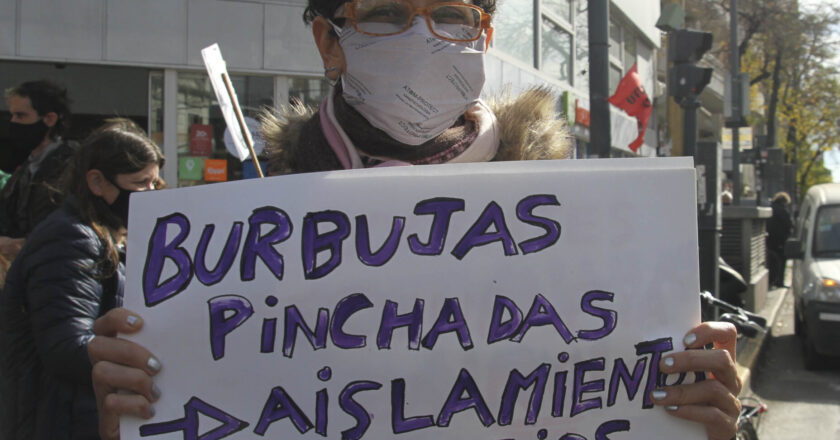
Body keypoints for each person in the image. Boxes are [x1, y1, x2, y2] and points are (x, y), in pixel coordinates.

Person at [87, 0, 742, 439]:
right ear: (328, 40)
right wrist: (138, 410)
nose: (423, 38)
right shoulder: (235, 245)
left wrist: (705, 423)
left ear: (482, 36)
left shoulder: (604, 230)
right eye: (389, 14)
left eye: (452, 15)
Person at [0, 119, 165, 440]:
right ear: (97, 182)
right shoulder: (69, 239)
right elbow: (64, 346)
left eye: (155, 185)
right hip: (58, 419)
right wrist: (145, 361)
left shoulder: (110, 235)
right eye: (140, 183)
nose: (150, 194)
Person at [0, 80, 78, 262]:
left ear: (50, 119)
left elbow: (66, 227)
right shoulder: (25, 169)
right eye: (12, 115)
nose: (13, 122)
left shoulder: (73, 166)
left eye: (21, 116)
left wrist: (21, 245)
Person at [766, 191, 792, 287]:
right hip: (780, 241)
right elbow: (788, 225)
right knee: (781, 261)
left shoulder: (770, 208)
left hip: (769, 240)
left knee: (770, 262)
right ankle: (779, 281)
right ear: (784, 202)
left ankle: (771, 281)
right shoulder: (782, 211)